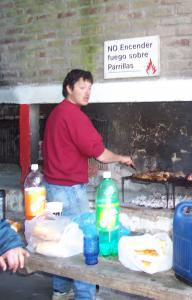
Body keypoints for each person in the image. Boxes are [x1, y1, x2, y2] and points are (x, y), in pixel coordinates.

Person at [42, 69, 134, 300]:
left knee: (61, 239)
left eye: (90, 88)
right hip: (70, 192)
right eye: (82, 87)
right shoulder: (75, 115)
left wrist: (82, 165)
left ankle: (60, 290)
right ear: (69, 89)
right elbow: (100, 154)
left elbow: (64, 148)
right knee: (84, 242)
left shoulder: (56, 113)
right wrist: (122, 158)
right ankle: (85, 295)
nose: (87, 93)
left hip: (52, 188)